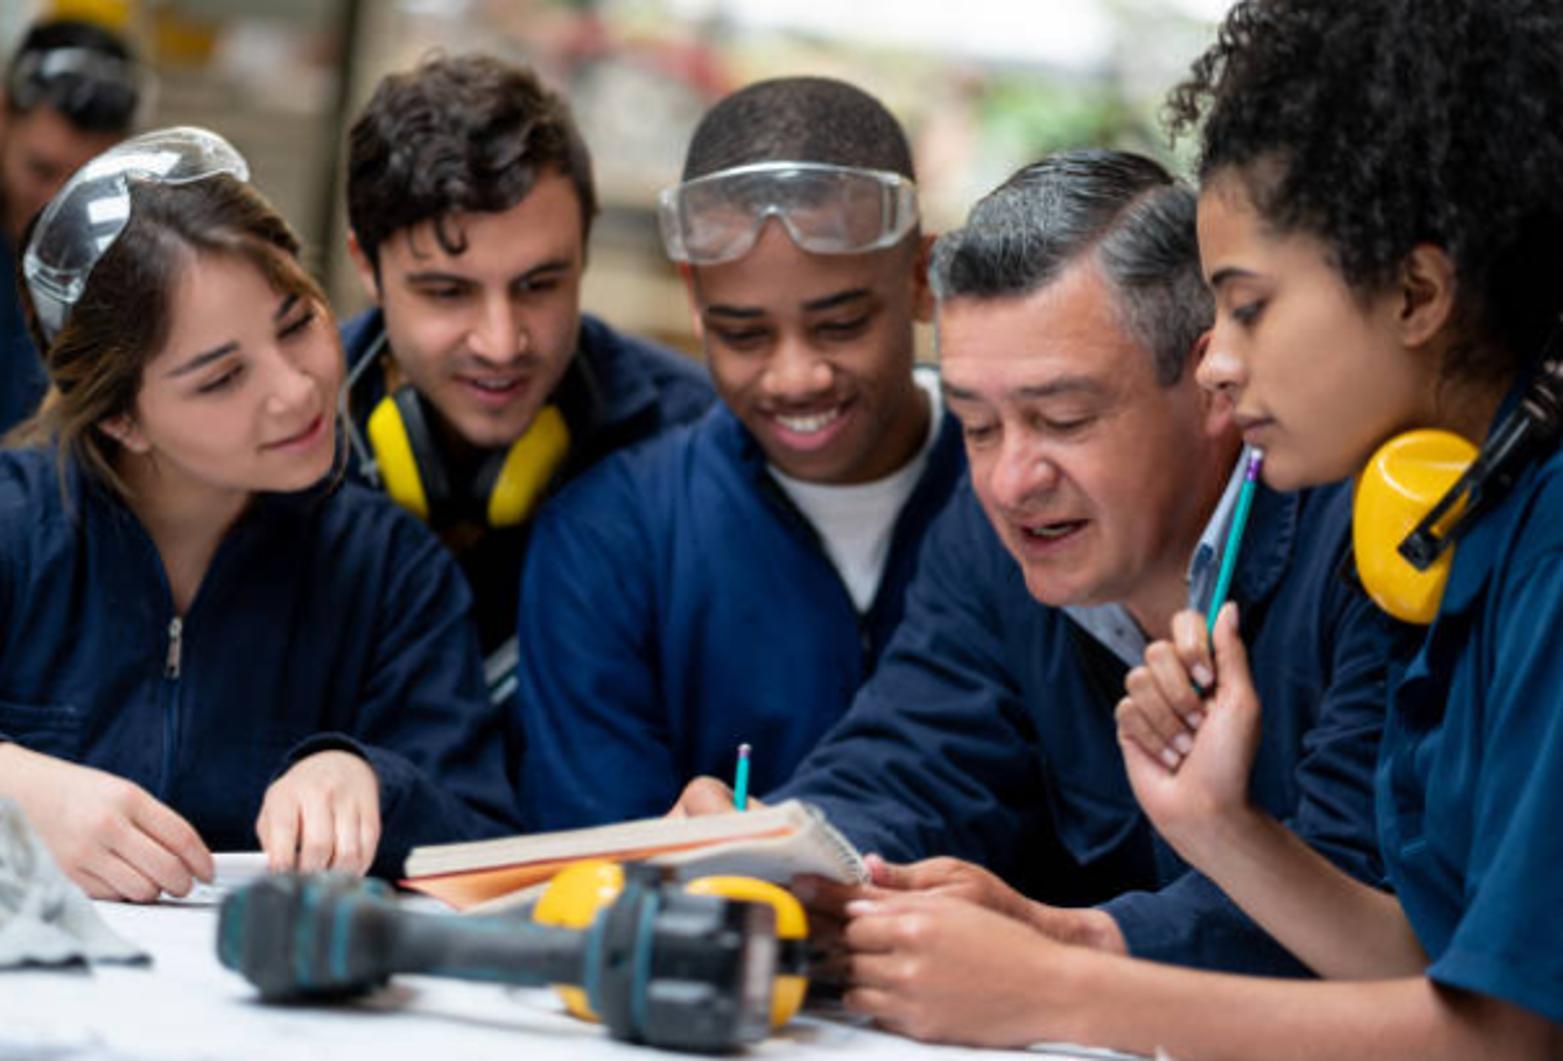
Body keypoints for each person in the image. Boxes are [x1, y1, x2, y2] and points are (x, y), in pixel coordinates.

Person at [830, 1, 1563, 1054]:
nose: (1218, 361)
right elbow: (1413, 955)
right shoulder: (1477, 522)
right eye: (980, 424)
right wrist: (1221, 827)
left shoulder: (1541, 544)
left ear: (1416, 291)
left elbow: (1513, 1036)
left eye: (1249, 305)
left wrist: (1058, 988)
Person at [677, 148, 1397, 977]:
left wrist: (1065, 946)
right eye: (977, 427)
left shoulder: (1364, 540)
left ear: (1213, 385)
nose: (1011, 481)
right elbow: (911, 756)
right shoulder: (988, 533)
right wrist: (783, 851)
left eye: (1060, 418)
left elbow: (1366, 909)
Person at [0, 127, 517, 903]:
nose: (295, 390)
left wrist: (369, 777)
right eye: (222, 377)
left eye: (296, 323)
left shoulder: (389, 572)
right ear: (120, 419)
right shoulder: (14, 527)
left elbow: (489, 845)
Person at [514, 77, 965, 830]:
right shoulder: (610, 541)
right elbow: (591, 864)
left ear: (921, 278)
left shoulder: (1021, 505)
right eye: (743, 334)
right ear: (694, 298)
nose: (796, 377)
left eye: (841, 323)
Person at [340, 53, 713, 703]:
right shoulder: (276, 434)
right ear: (365, 267)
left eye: (539, 285)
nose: (501, 342)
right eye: (448, 292)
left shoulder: (696, 443)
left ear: (585, 250)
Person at [1, 17, 142, 433]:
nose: (54, 206)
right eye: (41, 170)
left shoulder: (139, 272)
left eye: (82, 183)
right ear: (3, 117)